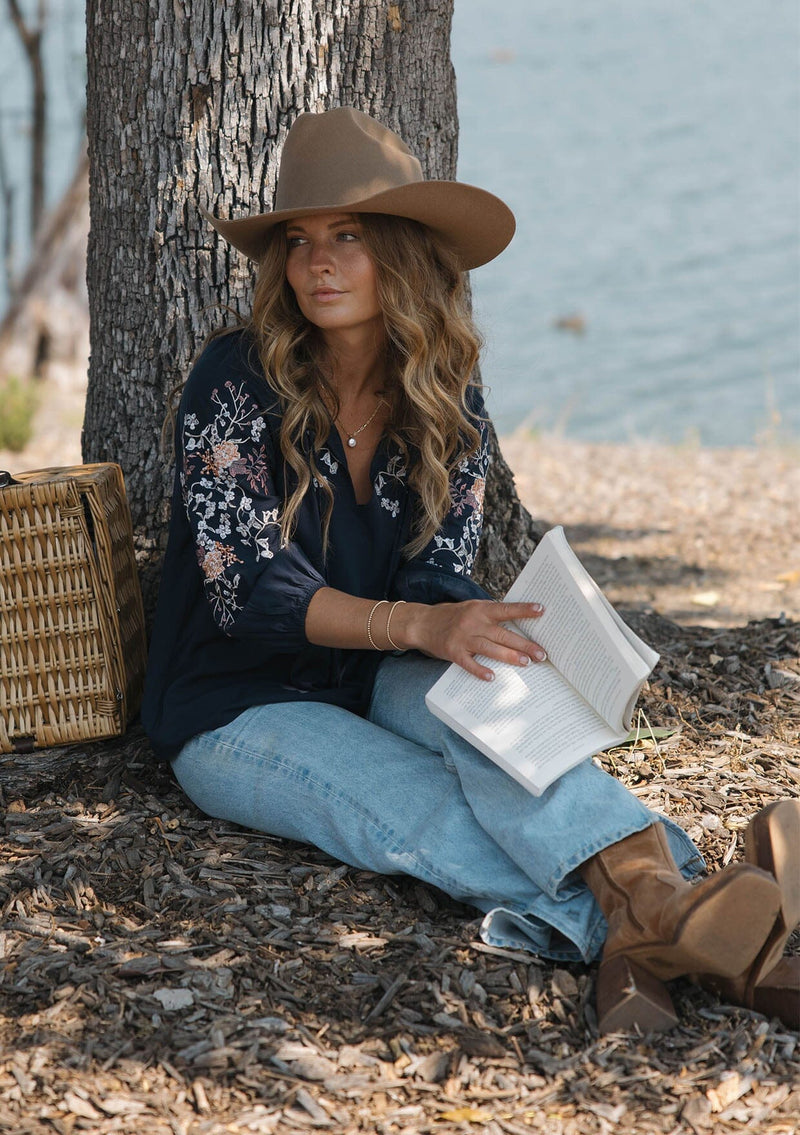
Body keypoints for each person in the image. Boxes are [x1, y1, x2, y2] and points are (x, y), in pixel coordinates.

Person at [142, 107, 799, 1032]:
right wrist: (419, 628)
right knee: (417, 812)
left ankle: (665, 914)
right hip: (235, 703)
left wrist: (488, 627)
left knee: (510, 716)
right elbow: (246, 592)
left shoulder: (443, 389)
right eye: (299, 241)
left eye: (349, 238)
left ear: (403, 254)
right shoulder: (236, 379)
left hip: (372, 671)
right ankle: (700, 929)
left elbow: (437, 579)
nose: (317, 263)